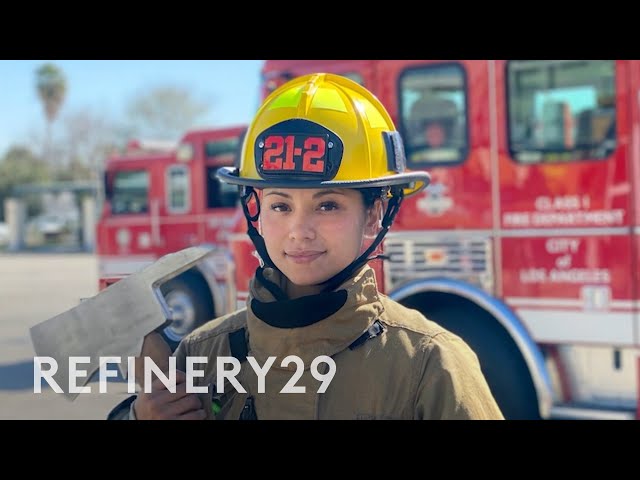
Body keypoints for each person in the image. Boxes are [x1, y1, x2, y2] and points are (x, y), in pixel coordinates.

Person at [111, 73, 504, 420]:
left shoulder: (429, 364)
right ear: (256, 213)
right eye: (280, 205)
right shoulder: (202, 355)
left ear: (374, 214)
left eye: (327, 205)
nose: (299, 231)